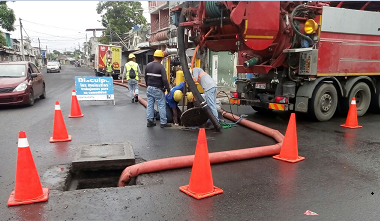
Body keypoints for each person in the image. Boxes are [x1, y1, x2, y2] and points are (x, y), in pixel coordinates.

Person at [145, 50, 172, 128]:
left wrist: (148, 85)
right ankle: (163, 122)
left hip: (149, 87)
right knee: (161, 105)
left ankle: (150, 121)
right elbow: (164, 79)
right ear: (161, 58)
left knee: (150, 104)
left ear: (153, 57)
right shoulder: (161, 67)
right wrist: (168, 89)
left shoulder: (148, 65)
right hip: (158, 89)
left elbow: (146, 77)